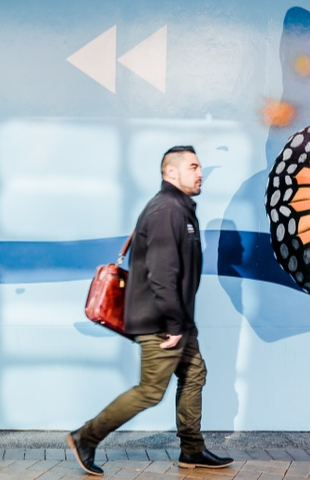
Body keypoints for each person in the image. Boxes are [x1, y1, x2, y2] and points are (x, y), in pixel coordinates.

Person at [66, 145, 233, 475]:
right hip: (162, 320)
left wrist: (181, 321)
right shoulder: (166, 210)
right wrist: (173, 323)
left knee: (194, 374)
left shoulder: (179, 209)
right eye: (193, 166)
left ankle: (192, 451)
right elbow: (161, 272)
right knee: (150, 391)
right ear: (171, 172)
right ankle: (85, 437)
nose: (200, 173)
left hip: (177, 319)